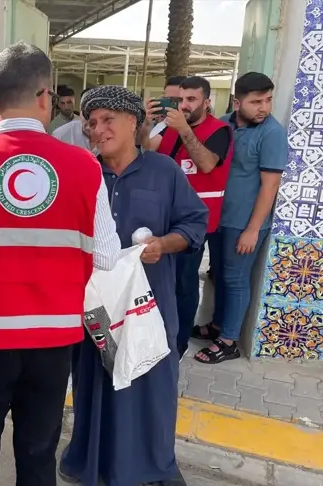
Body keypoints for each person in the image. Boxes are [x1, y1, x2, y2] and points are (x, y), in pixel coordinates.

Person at [0, 42, 121, 486]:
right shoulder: (85, 166)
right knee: (37, 457)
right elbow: (107, 256)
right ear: (45, 96)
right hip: (52, 346)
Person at [59, 85, 208, 486]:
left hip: (150, 303)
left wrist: (163, 244)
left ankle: (152, 465)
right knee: (98, 380)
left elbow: (194, 223)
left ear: (132, 122)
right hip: (98, 307)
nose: (98, 129)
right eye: (91, 123)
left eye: (108, 120)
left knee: (149, 384)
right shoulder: (83, 174)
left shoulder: (164, 171)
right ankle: (93, 461)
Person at [193, 72, 288, 364]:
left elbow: (270, 185)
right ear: (238, 102)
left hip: (245, 223)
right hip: (220, 218)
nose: (264, 107)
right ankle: (219, 325)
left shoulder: (272, 133)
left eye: (268, 100)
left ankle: (229, 341)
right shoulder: (223, 124)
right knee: (219, 275)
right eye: (256, 101)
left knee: (235, 278)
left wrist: (253, 229)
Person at [145, 76, 233, 358]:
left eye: (191, 100)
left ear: (207, 102)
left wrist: (183, 130)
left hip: (195, 223)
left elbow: (207, 163)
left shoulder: (219, 130)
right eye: (180, 99)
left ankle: (178, 343)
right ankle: (158, 335)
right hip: (164, 217)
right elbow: (146, 149)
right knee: (160, 280)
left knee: (184, 283)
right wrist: (145, 121)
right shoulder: (171, 127)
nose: (184, 105)